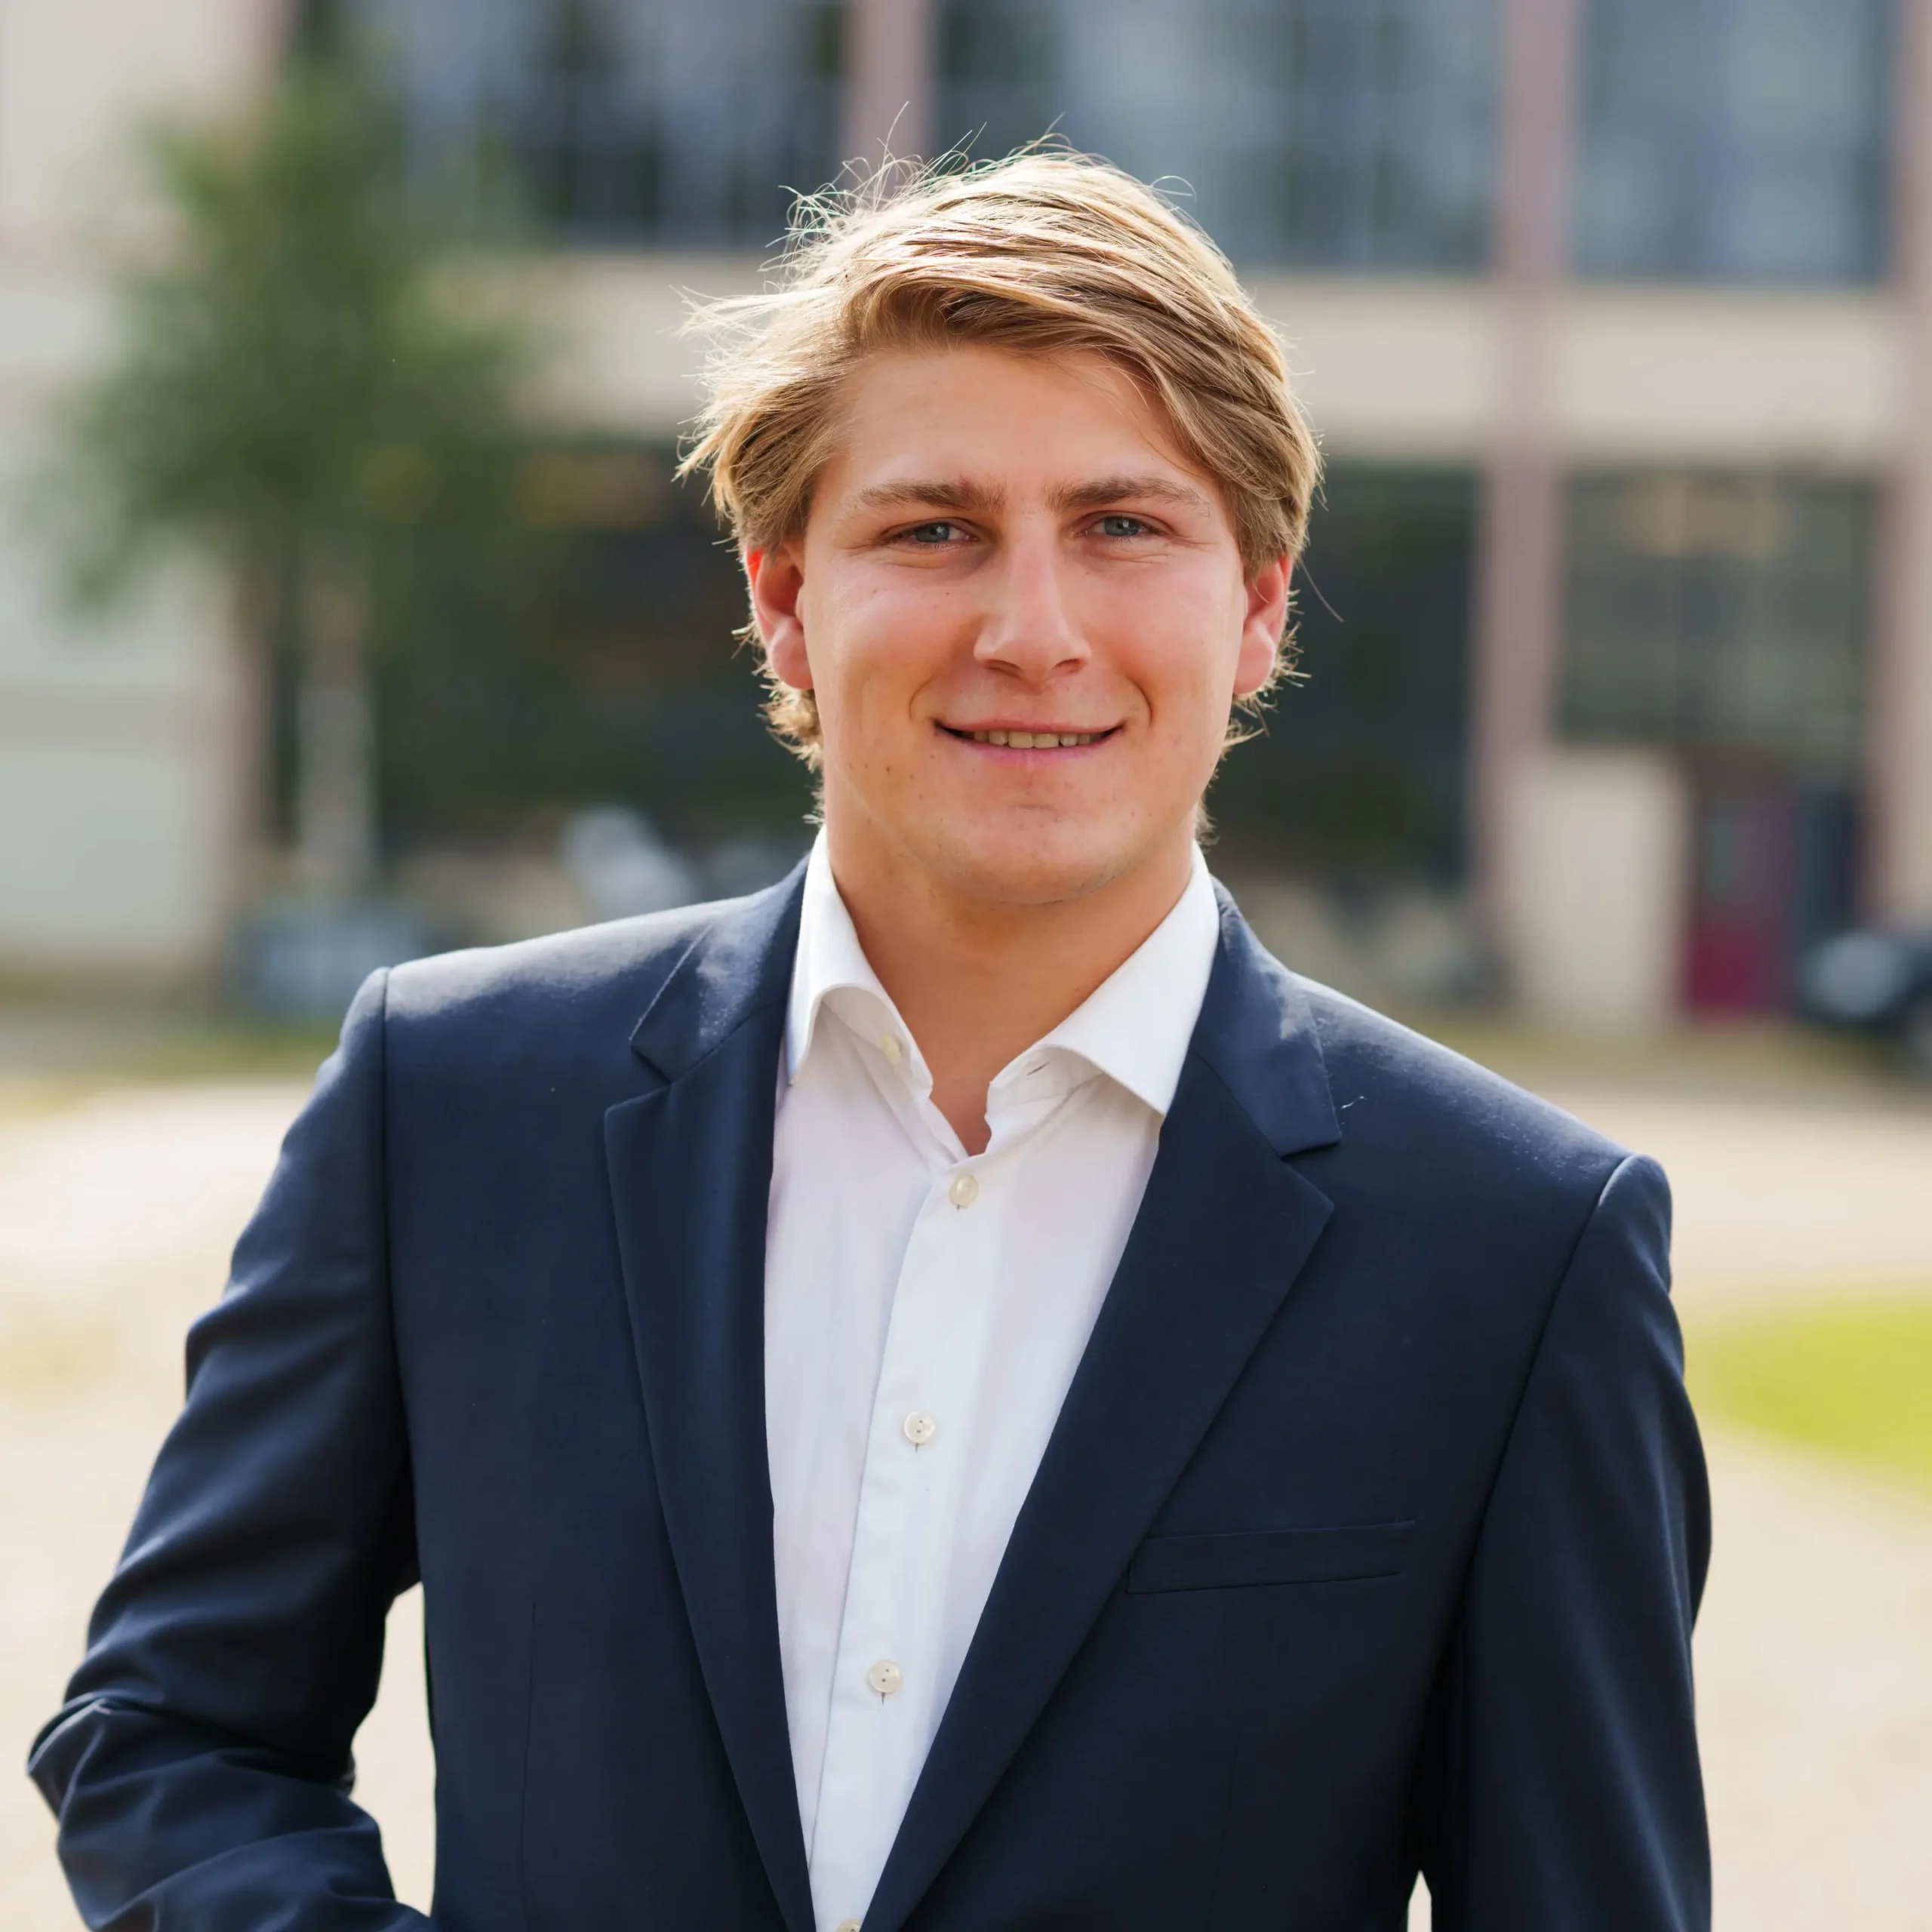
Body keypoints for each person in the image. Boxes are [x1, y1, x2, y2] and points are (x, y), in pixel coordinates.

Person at [29, 152, 1709, 1932]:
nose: (1030, 631)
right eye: (933, 529)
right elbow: (174, 1732)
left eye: (1121, 527)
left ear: (1255, 607)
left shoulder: (1519, 1249)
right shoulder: (447, 1106)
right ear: (781, 599)